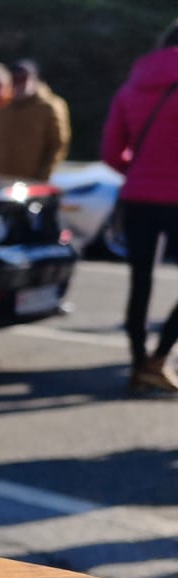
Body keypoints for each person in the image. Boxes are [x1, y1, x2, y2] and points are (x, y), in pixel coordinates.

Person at [101, 20, 178, 395]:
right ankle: (158, 359)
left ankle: (137, 363)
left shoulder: (132, 85)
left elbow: (111, 153)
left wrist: (141, 172)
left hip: (137, 197)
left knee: (140, 284)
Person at [0, 60, 70, 182]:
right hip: (3, 183)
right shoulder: (4, 110)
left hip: (34, 183)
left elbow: (57, 144)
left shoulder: (49, 107)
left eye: (23, 78)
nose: (20, 83)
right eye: (15, 79)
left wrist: (42, 176)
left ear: (34, 79)